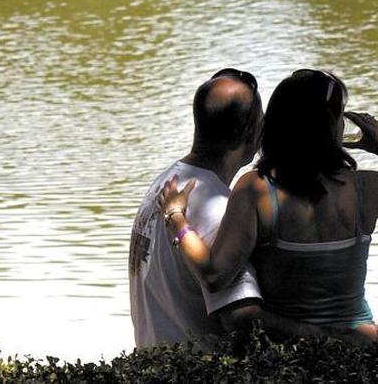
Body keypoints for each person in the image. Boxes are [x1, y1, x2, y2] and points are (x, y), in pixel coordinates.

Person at [158, 69, 378, 338]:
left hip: (289, 354)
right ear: (330, 127)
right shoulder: (370, 188)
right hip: (360, 346)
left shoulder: (256, 190)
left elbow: (213, 276)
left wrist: (177, 217)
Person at [130, 68, 366, 348]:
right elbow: (242, 318)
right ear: (251, 131)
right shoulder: (218, 210)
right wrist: (337, 339)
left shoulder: (165, 183)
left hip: (156, 364)